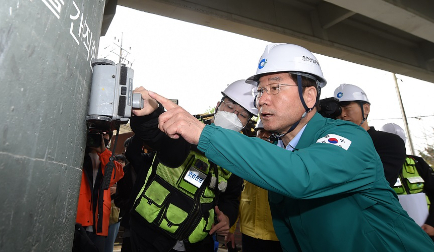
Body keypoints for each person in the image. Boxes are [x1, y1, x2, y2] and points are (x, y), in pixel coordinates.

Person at [145, 43, 434, 251]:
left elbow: (301, 176)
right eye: (260, 90)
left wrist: (202, 133)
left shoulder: (348, 138)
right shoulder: (281, 153)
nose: (262, 100)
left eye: (275, 87)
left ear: (310, 95)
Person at [128, 81, 256, 252]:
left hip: (197, 242)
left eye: (242, 114)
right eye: (230, 106)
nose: (233, 115)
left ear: (246, 123)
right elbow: (156, 134)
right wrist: (149, 114)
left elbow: (231, 197)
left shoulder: (237, 157)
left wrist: (227, 217)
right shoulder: (189, 126)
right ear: (218, 105)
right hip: (149, 234)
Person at [333, 83, 406, 187]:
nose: (342, 114)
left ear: (366, 109)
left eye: (347, 108)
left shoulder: (389, 142)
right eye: (338, 110)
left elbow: (378, 179)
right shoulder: (331, 141)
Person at [227, 120, 282, 252]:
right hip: (250, 234)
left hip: (278, 236)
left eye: (270, 133)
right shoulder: (244, 163)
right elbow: (235, 197)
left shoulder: (285, 162)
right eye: (261, 131)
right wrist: (231, 229)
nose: (264, 135)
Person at [382, 122, 434, 242]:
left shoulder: (417, 163)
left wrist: (432, 223)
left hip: (427, 230)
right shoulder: (378, 168)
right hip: (397, 233)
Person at [75, 131, 125, 251]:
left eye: (105, 133)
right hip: (78, 224)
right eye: (96, 132)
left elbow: (115, 175)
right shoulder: (76, 155)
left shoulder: (107, 158)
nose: (101, 136)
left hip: (99, 225)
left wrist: (103, 151)